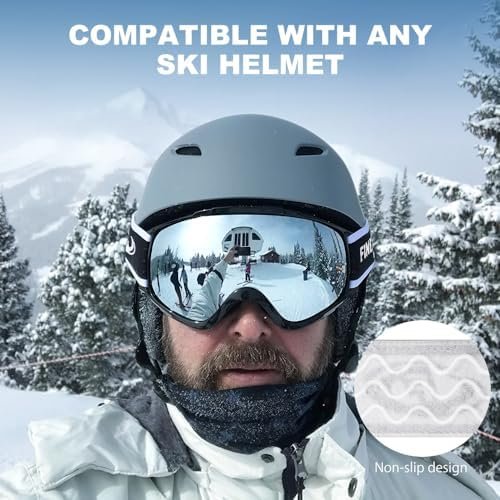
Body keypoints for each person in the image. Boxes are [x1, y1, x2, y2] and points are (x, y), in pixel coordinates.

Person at [0, 115, 496, 499]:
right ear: (154, 313)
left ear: (344, 312)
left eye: (311, 288)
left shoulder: (436, 489)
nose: (251, 325)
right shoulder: (56, 487)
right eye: (191, 278)